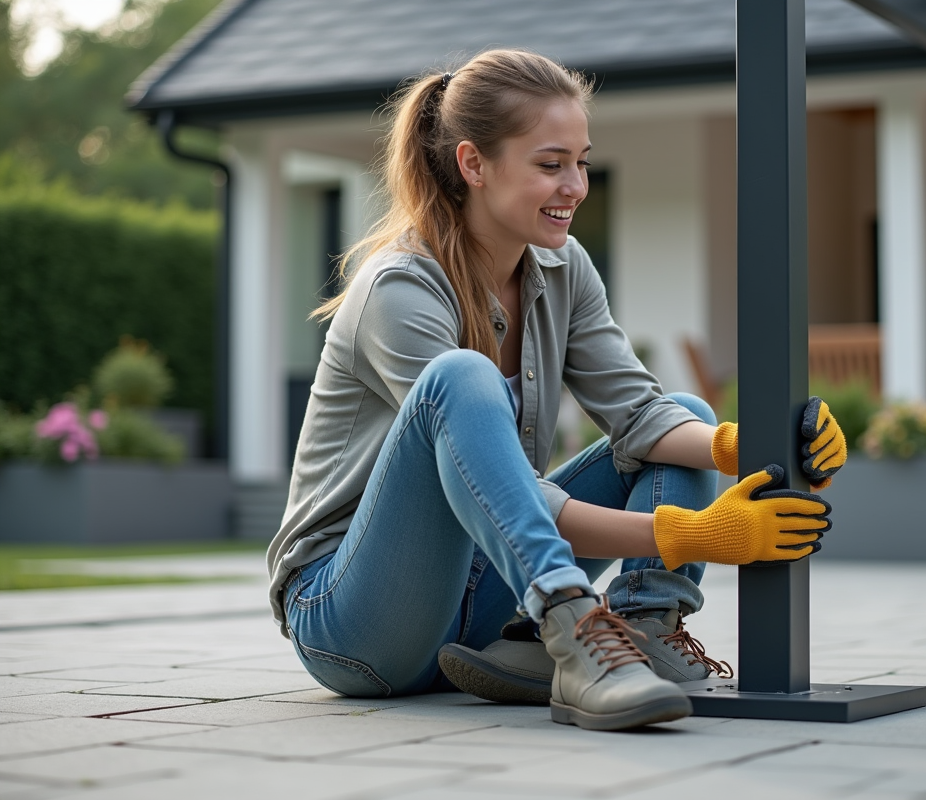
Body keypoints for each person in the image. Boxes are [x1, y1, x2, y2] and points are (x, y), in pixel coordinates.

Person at [266, 49, 848, 732]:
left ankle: (639, 635)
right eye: (550, 165)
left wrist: (745, 447)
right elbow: (512, 492)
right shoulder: (400, 288)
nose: (575, 186)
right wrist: (692, 535)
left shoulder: (563, 265)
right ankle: (575, 633)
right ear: (473, 164)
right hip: (353, 621)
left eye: (582, 162)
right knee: (460, 375)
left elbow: (640, 413)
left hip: (474, 598)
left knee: (685, 418)